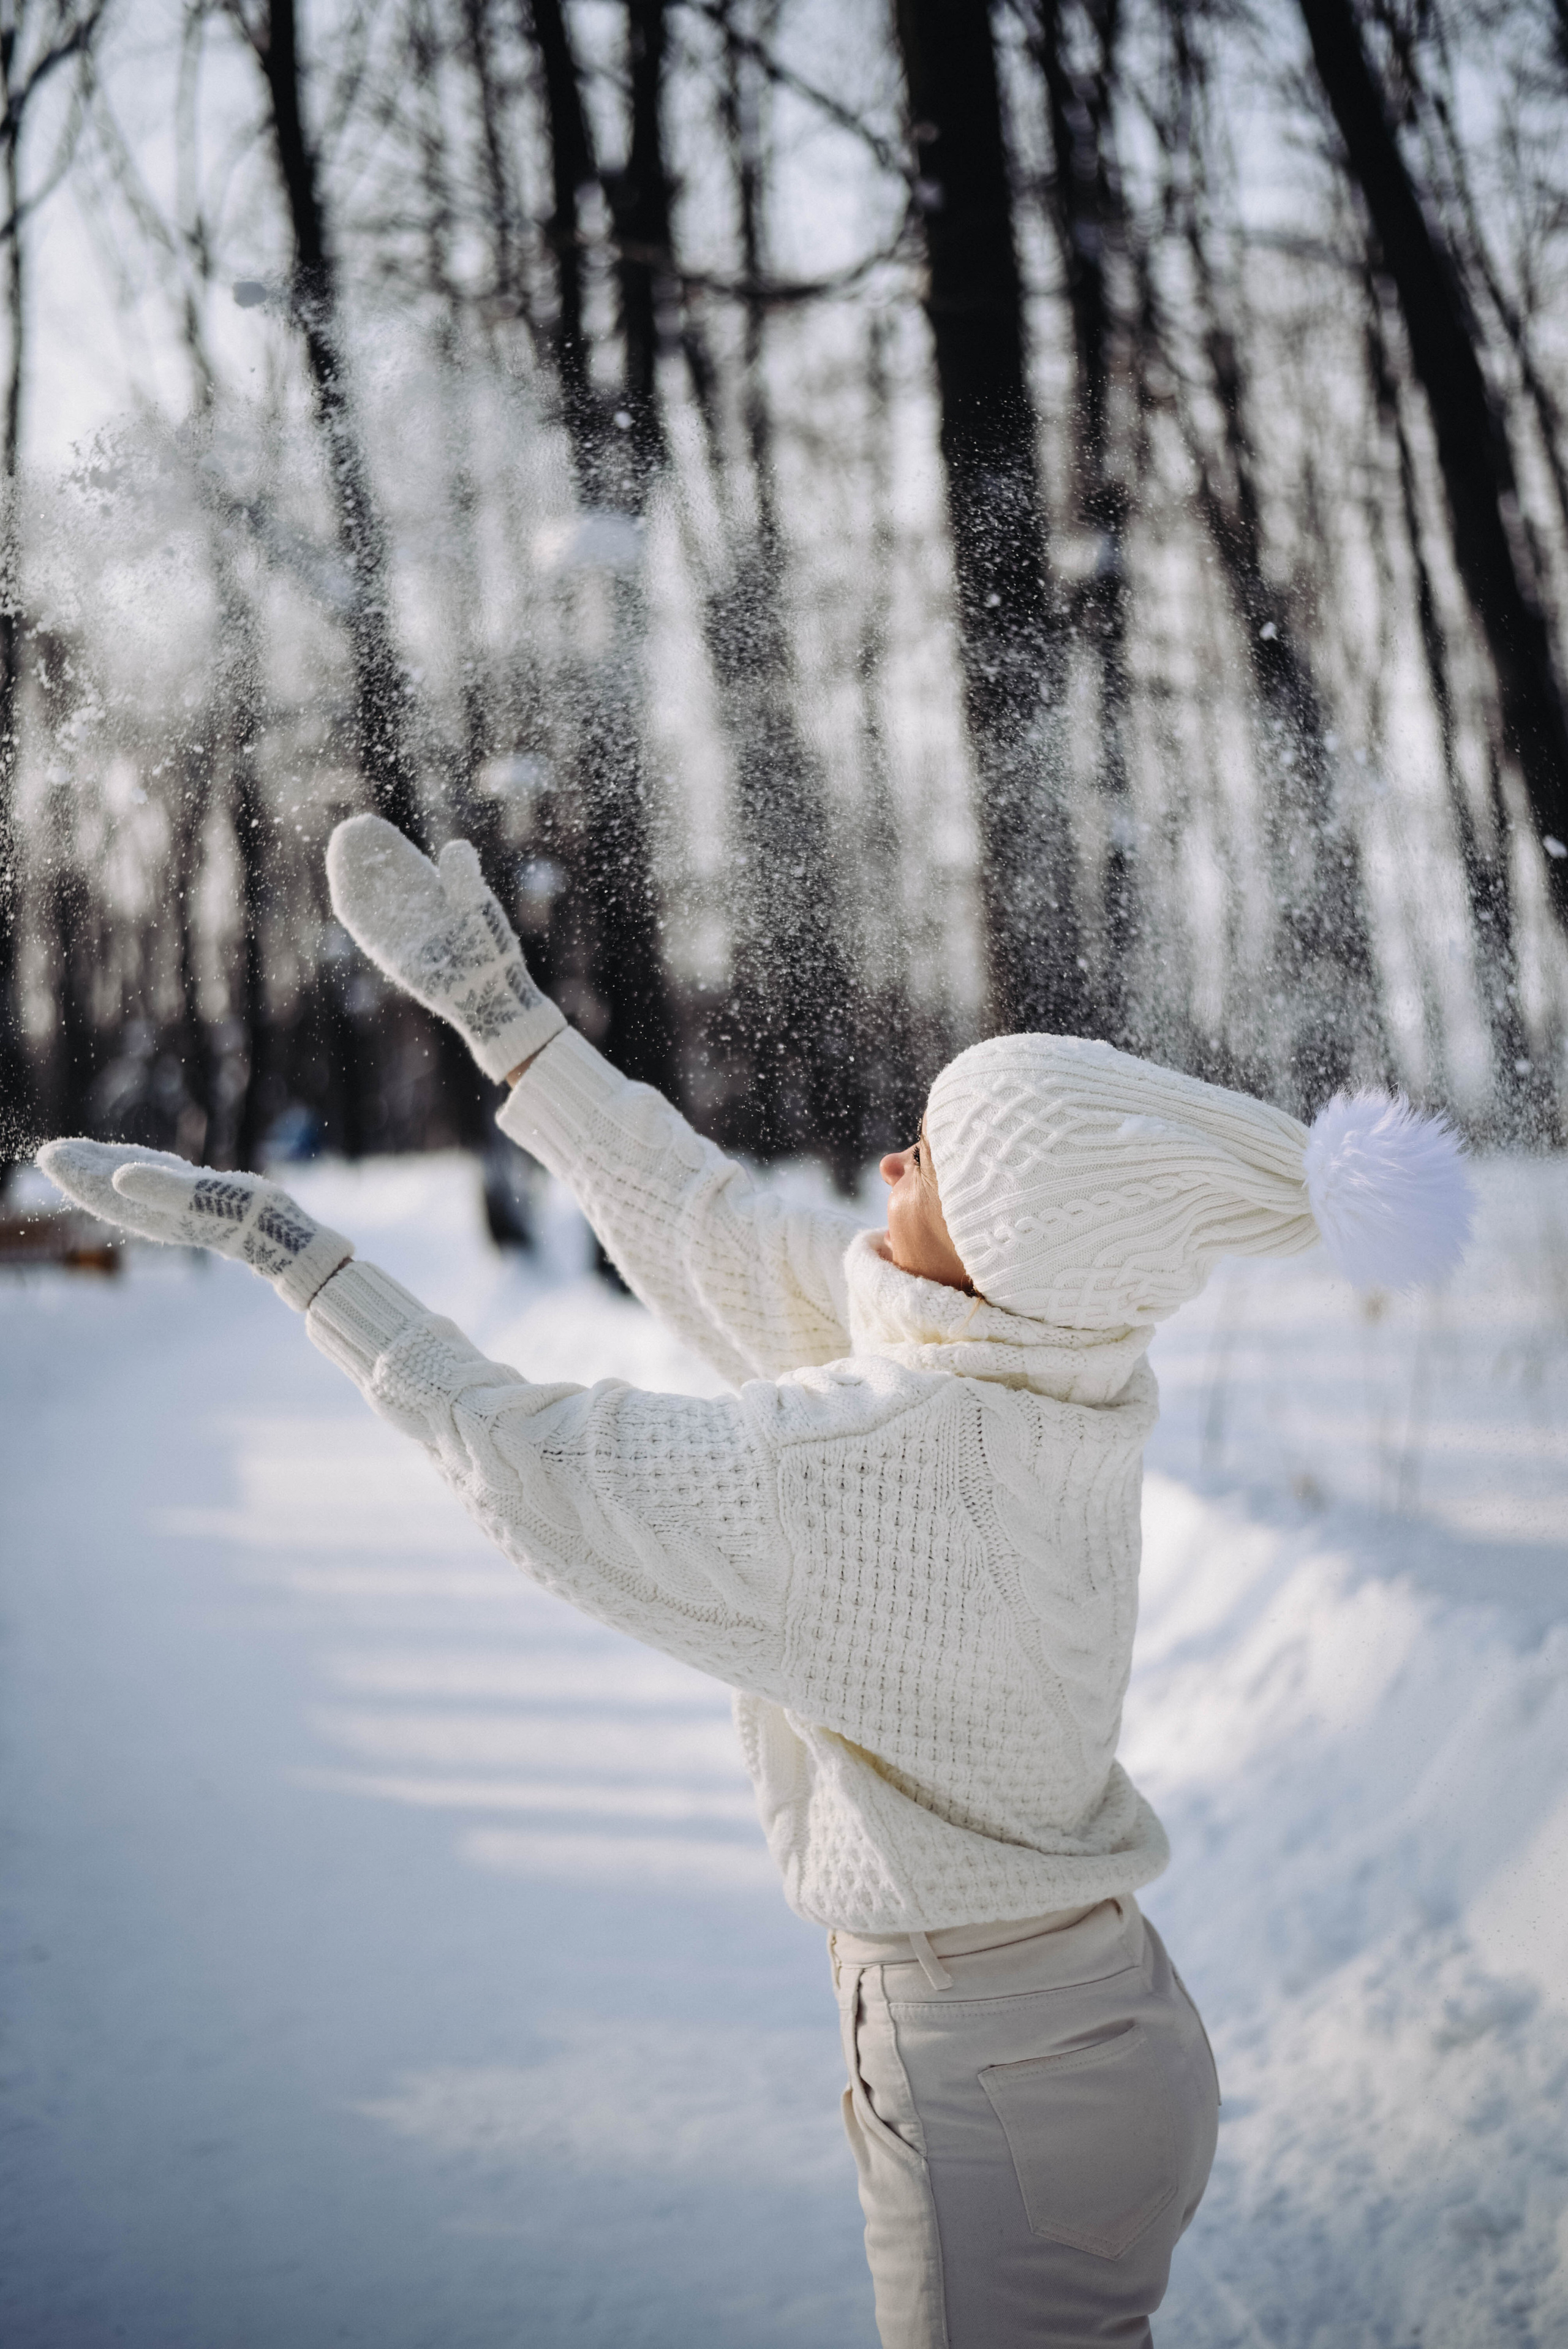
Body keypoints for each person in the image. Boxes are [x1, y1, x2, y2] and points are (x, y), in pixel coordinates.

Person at [38, 815, 1472, 2348]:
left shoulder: (886, 1465)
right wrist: (511, 1029)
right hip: (1106, 2035)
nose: (884, 1161)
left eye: (926, 1163)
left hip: (991, 2077)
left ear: (994, 1249)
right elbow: (720, 1234)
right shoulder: (1049, 1376)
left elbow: (548, 1463)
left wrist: (297, 1259)